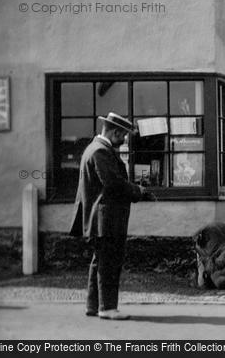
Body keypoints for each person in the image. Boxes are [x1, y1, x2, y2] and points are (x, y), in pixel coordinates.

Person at [70, 112, 154, 320]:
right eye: (123, 135)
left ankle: (93, 305)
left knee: (100, 261)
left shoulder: (94, 148)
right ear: (115, 132)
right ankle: (107, 308)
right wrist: (139, 191)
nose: (125, 139)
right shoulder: (101, 152)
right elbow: (114, 183)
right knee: (109, 262)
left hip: (100, 217)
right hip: (106, 218)